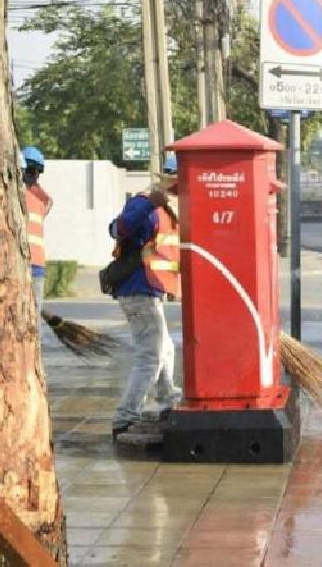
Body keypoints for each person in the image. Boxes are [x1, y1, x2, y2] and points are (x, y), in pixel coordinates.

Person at [109, 154, 182, 440]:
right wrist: (149, 203)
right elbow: (118, 229)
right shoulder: (146, 203)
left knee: (165, 348)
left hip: (150, 290)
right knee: (150, 355)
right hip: (139, 290)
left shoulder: (167, 209)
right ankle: (125, 417)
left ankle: (168, 400)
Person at [22, 146, 55, 342]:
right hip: (36, 265)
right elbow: (49, 201)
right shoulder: (40, 200)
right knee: (32, 318)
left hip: (22, 263)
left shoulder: (15, 195)